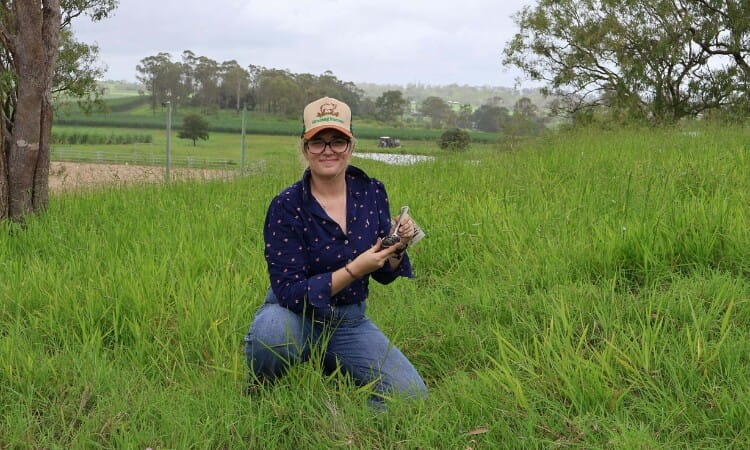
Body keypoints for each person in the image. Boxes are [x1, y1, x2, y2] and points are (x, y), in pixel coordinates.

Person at [244, 96, 427, 403]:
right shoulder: (286, 206)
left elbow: (384, 273)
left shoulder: (372, 191)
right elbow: (289, 291)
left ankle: (337, 399)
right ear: (305, 148)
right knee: (273, 335)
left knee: (411, 397)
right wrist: (355, 269)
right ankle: (262, 392)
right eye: (318, 142)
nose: (328, 150)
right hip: (294, 314)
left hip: (348, 321)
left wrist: (398, 246)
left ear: (350, 146)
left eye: (337, 141)